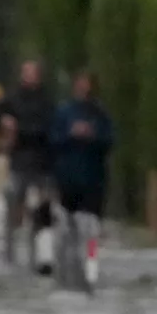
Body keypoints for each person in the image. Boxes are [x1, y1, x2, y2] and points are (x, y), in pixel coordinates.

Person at [0, 60, 57, 272]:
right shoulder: (12, 98)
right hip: (19, 162)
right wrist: (3, 121)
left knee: (43, 211)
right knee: (14, 206)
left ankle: (39, 253)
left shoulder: (47, 101)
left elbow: (48, 128)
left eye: (34, 74)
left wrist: (21, 132)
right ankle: (11, 254)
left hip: (43, 163)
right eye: (27, 73)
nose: (30, 77)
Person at [51, 71, 114, 222]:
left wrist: (93, 135)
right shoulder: (63, 112)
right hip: (68, 178)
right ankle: (73, 246)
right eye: (80, 84)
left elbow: (109, 140)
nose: (84, 88)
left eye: (87, 84)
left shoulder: (101, 113)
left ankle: (91, 247)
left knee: (91, 224)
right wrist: (71, 134)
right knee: (68, 222)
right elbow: (53, 140)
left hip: (94, 178)